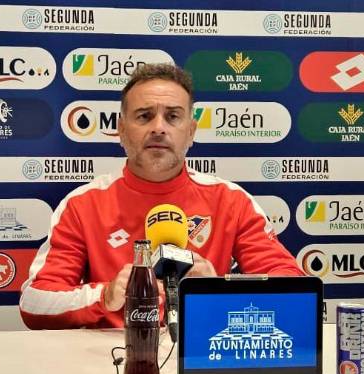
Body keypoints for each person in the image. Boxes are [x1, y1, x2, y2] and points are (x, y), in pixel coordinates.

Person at [19, 63, 303, 329]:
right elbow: (34, 303)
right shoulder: (83, 204)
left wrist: (218, 292)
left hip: (205, 355)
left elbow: (297, 293)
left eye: (173, 116)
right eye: (144, 116)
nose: (158, 127)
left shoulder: (231, 201)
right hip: (112, 364)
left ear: (190, 132)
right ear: (120, 130)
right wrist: (105, 297)